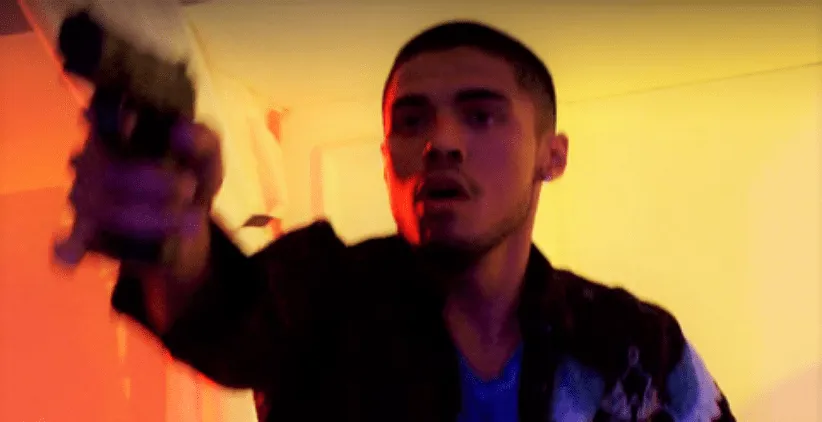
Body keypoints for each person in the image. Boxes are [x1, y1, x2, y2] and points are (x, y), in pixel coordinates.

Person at [65, 20, 736, 422]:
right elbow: (218, 312)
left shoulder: (634, 342)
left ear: (550, 156)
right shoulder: (325, 293)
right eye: (412, 122)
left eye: (481, 114)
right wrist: (169, 227)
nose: (441, 141)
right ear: (388, 161)